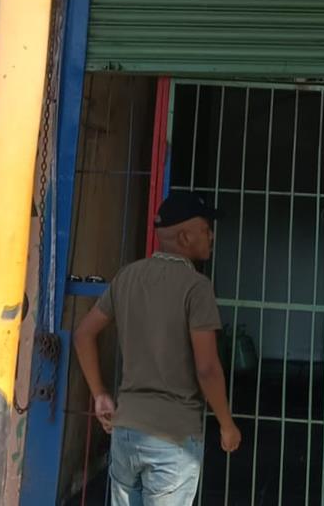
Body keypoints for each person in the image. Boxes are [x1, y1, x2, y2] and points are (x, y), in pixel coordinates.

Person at [74, 191, 241, 506]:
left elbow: (83, 334)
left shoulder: (127, 277)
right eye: (206, 229)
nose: (211, 236)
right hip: (172, 438)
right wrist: (226, 424)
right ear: (184, 237)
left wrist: (100, 394)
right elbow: (207, 369)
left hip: (126, 432)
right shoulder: (197, 288)